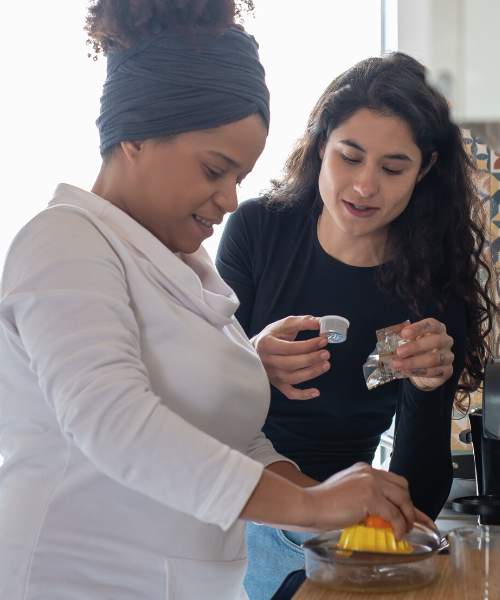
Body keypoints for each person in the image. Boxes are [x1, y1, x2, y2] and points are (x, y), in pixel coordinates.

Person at [0, 4, 431, 600]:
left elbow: (236, 440)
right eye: (214, 169)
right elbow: (116, 423)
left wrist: (347, 505)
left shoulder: (189, 270)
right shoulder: (65, 241)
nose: (230, 199)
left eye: (239, 176)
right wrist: (310, 504)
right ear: (137, 134)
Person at [216, 51, 497, 599]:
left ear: (426, 170)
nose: (365, 186)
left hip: (349, 530)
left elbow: (417, 496)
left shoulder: (431, 280)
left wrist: (426, 387)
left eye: (393, 169)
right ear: (321, 145)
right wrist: (248, 361)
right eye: (349, 157)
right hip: (242, 508)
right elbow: (196, 413)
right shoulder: (258, 230)